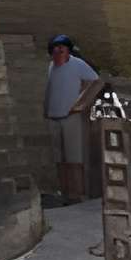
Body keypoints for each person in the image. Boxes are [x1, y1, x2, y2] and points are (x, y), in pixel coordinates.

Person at [43, 34, 100, 203]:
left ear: (68, 49)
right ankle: (65, 191)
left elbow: (95, 82)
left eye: (62, 48)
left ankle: (78, 192)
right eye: (55, 48)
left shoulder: (77, 64)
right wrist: (45, 108)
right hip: (54, 116)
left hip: (71, 116)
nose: (58, 51)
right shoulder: (51, 66)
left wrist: (81, 103)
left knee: (74, 157)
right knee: (59, 158)